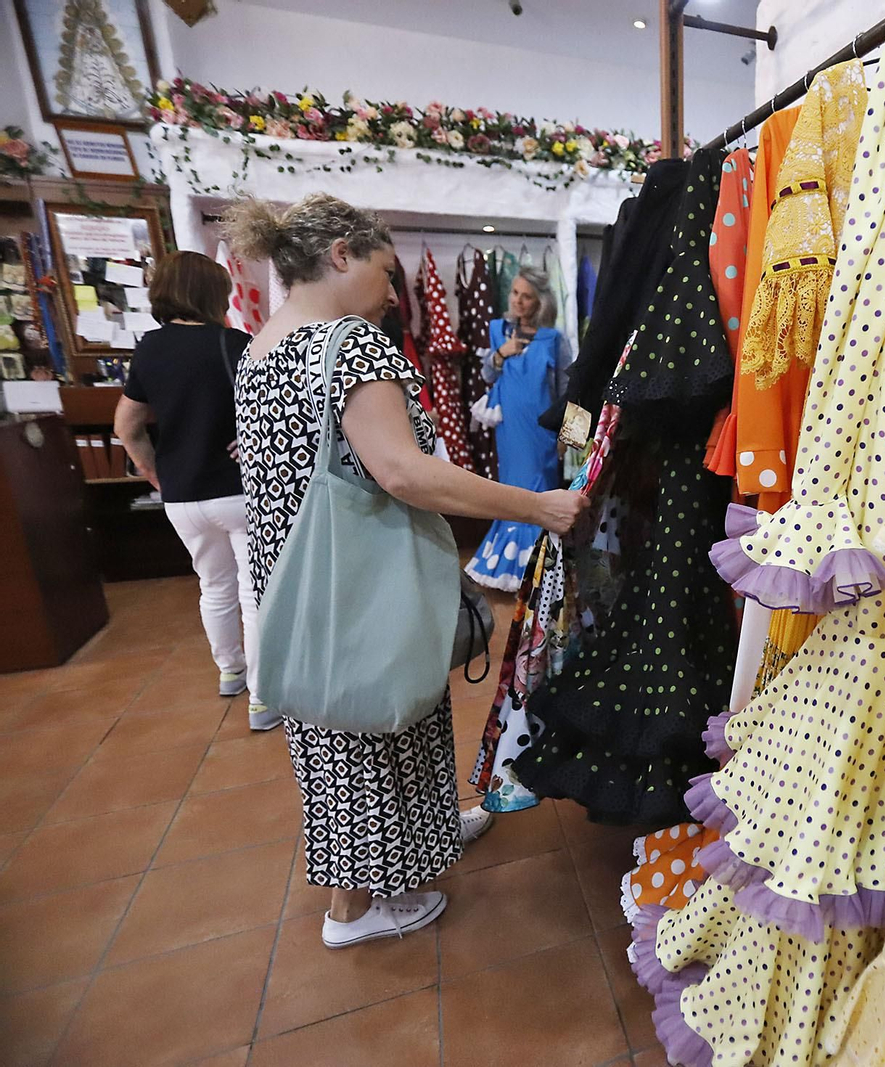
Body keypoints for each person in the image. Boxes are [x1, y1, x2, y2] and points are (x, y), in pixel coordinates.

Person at [223, 194, 587, 948]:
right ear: (341, 255)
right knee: (363, 721)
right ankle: (354, 909)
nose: (396, 295)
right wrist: (538, 506)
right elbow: (404, 472)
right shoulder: (350, 346)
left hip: (300, 569)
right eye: (388, 274)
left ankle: (418, 833)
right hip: (355, 569)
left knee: (353, 717)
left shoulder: (262, 346)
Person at [115, 251, 279, 731]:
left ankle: (230, 670)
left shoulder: (148, 348)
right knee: (255, 593)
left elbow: (127, 424)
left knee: (214, 586)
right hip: (238, 489)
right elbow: (273, 412)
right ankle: (263, 699)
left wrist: (152, 470)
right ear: (213, 293)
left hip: (181, 495)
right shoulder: (236, 344)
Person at [464, 266, 564, 590]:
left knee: (540, 489)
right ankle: (509, 570)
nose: (519, 301)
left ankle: (542, 570)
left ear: (540, 303)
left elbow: (567, 388)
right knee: (512, 488)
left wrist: (569, 436)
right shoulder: (498, 331)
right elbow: (487, 377)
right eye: (515, 293)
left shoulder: (553, 339)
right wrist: (500, 355)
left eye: (527, 296)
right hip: (510, 430)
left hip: (542, 431)